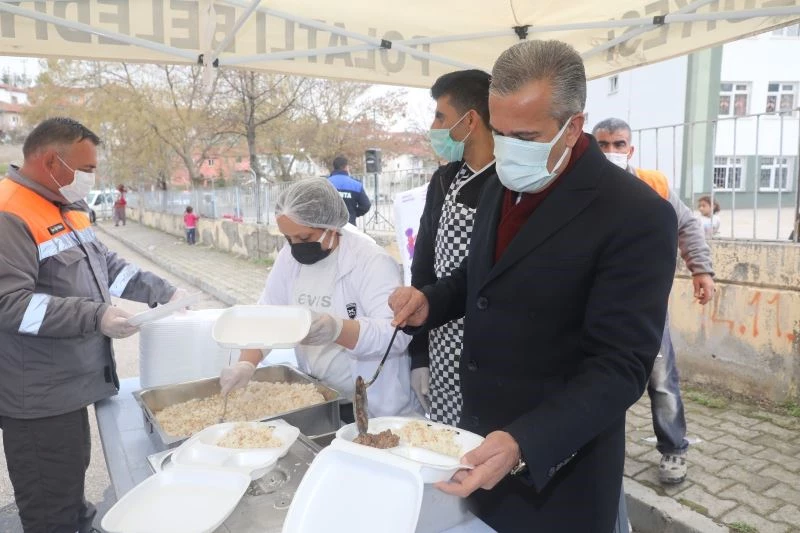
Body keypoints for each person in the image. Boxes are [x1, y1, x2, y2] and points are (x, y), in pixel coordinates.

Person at [388, 40, 678, 531]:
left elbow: (620, 365)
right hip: (479, 442)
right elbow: (484, 276)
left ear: (574, 126)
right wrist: (430, 302)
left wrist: (525, 441)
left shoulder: (635, 215)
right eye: (500, 133)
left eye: (524, 135)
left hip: (557, 466)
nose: (508, 149)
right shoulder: (504, 178)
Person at [0, 117, 184, 533]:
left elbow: (106, 267)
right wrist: (96, 316)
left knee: (68, 493)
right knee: (52, 510)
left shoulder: (65, 205)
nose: (90, 178)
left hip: (65, 386)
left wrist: (162, 291)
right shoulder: (8, 211)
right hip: (36, 398)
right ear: (51, 161)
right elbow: (9, 304)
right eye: (85, 170)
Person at [219, 178, 419, 422]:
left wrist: (338, 329)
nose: (295, 247)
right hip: (323, 398)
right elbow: (269, 315)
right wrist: (247, 364)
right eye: (288, 238)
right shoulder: (289, 259)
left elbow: (396, 334)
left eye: (304, 237)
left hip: (375, 405)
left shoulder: (371, 261)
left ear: (331, 225)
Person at [594, 117, 716, 485]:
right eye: (602, 144)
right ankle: (592, 453)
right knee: (593, 378)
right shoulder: (581, 187)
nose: (611, 152)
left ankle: (674, 450)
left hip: (646, 305)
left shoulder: (654, 185)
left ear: (631, 149)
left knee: (661, 379)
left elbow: (687, 225)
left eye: (618, 144)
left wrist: (702, 270)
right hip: (593, 304)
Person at [409, 69, 496, 423]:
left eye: (440, 116)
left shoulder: (507, 183)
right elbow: (423, 268)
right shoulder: (444, 180)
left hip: (488, 348)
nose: (434, 126)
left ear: (470, 120)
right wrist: (419, 355)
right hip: (441, 340)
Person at [328, 156, 371, 225]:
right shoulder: (357, 185)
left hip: (329, 226)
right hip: (349, 225)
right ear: (346, 167)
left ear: (334, 167)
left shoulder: (325, 183)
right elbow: (366, 205)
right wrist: (353, 213)